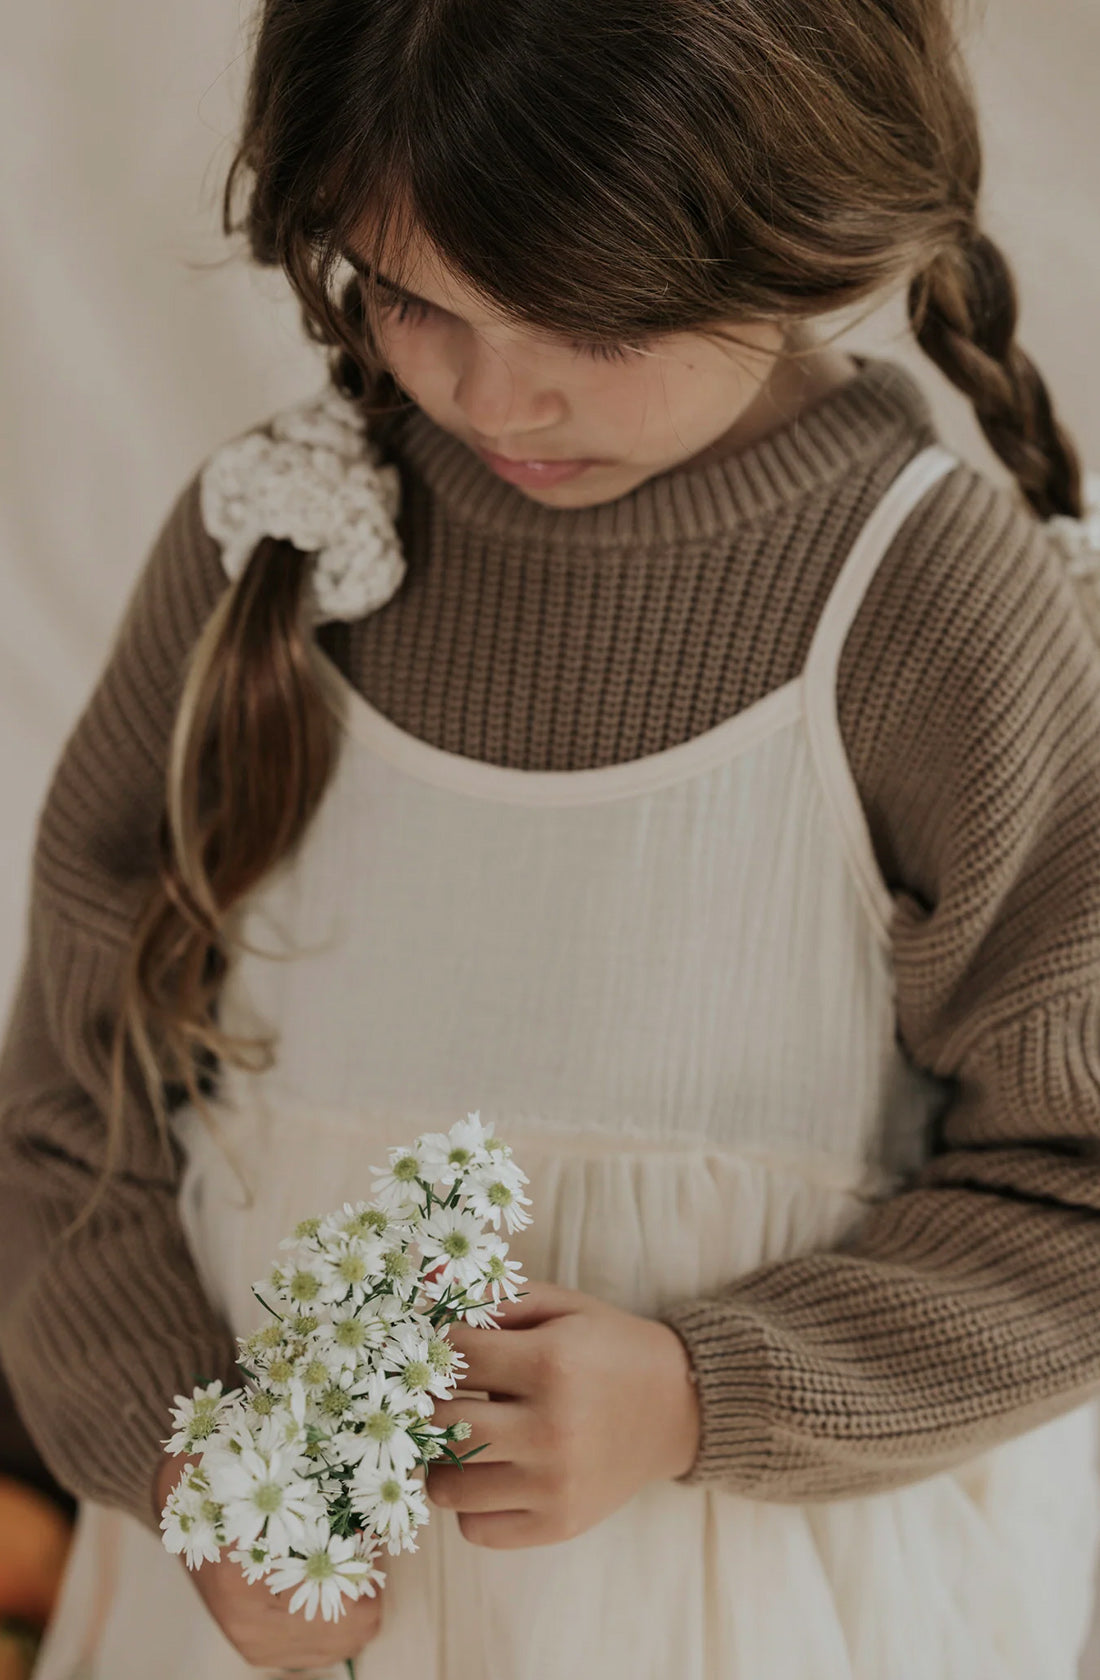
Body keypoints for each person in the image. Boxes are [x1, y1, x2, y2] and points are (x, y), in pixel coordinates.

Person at [4, 0, 1100, 1675]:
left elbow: (1074, 1186)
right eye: (410, 296)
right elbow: (74, 1113)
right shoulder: (276, 542)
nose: (490, 392)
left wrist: (694, 1397)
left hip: (752, 1618)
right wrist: (186, 1459)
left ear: (803, 234)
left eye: (585, 319)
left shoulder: (925, 606)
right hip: (250, 1627)